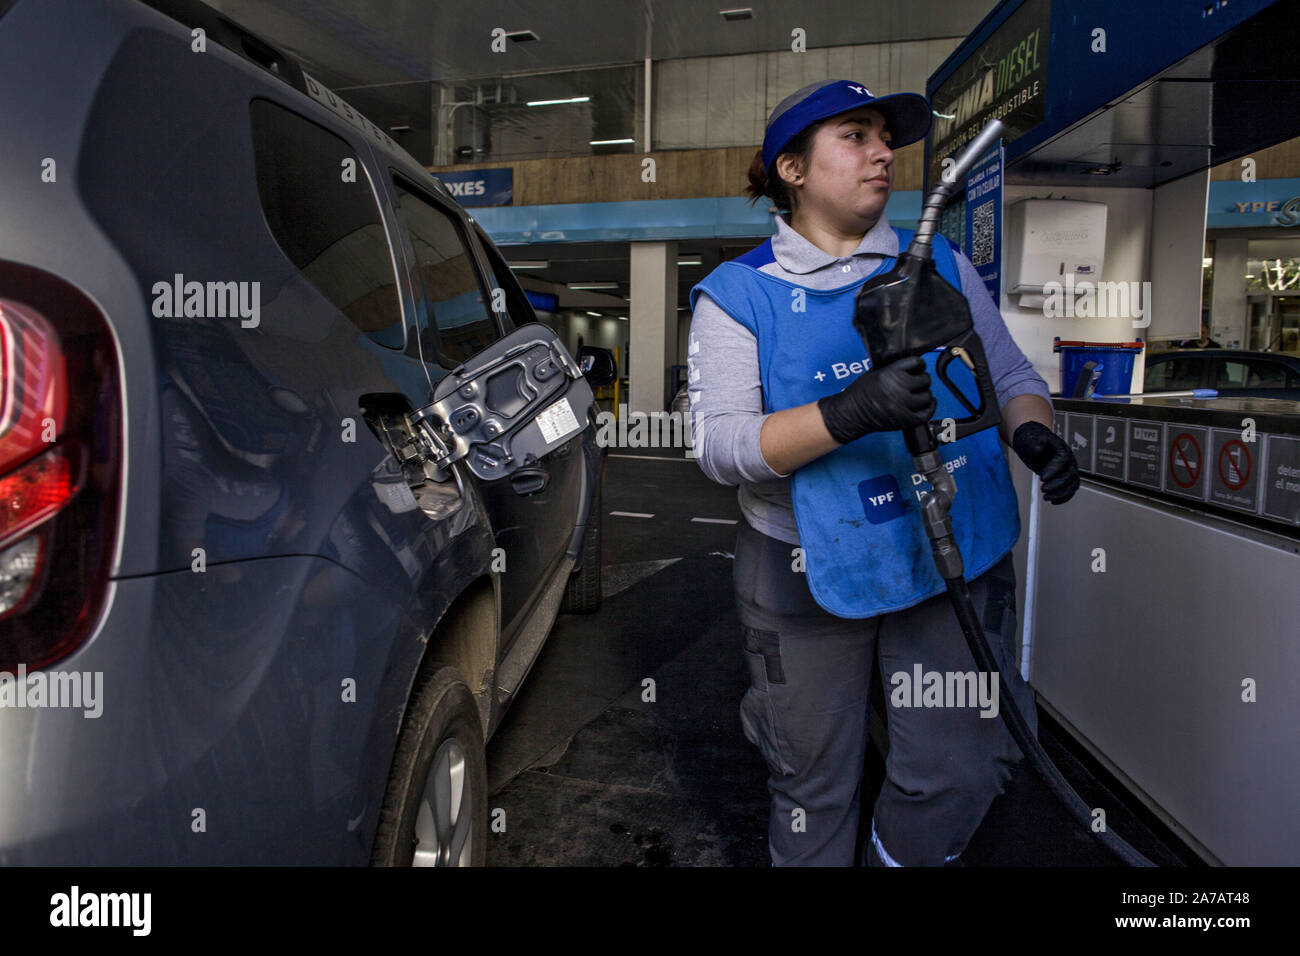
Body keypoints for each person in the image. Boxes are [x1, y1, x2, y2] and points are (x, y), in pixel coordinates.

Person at [686, 79, 1080, 867]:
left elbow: (1010, 377)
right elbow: (720, 445)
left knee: (965, 767)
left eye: (886, 138)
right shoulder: (739, 294)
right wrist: (848, 413)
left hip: (947, 560)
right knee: (811, 786)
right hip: (800, 567)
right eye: (855, 136)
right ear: (792, 170)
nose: (882, 153)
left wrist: (1033, 434)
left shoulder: (942, 267)